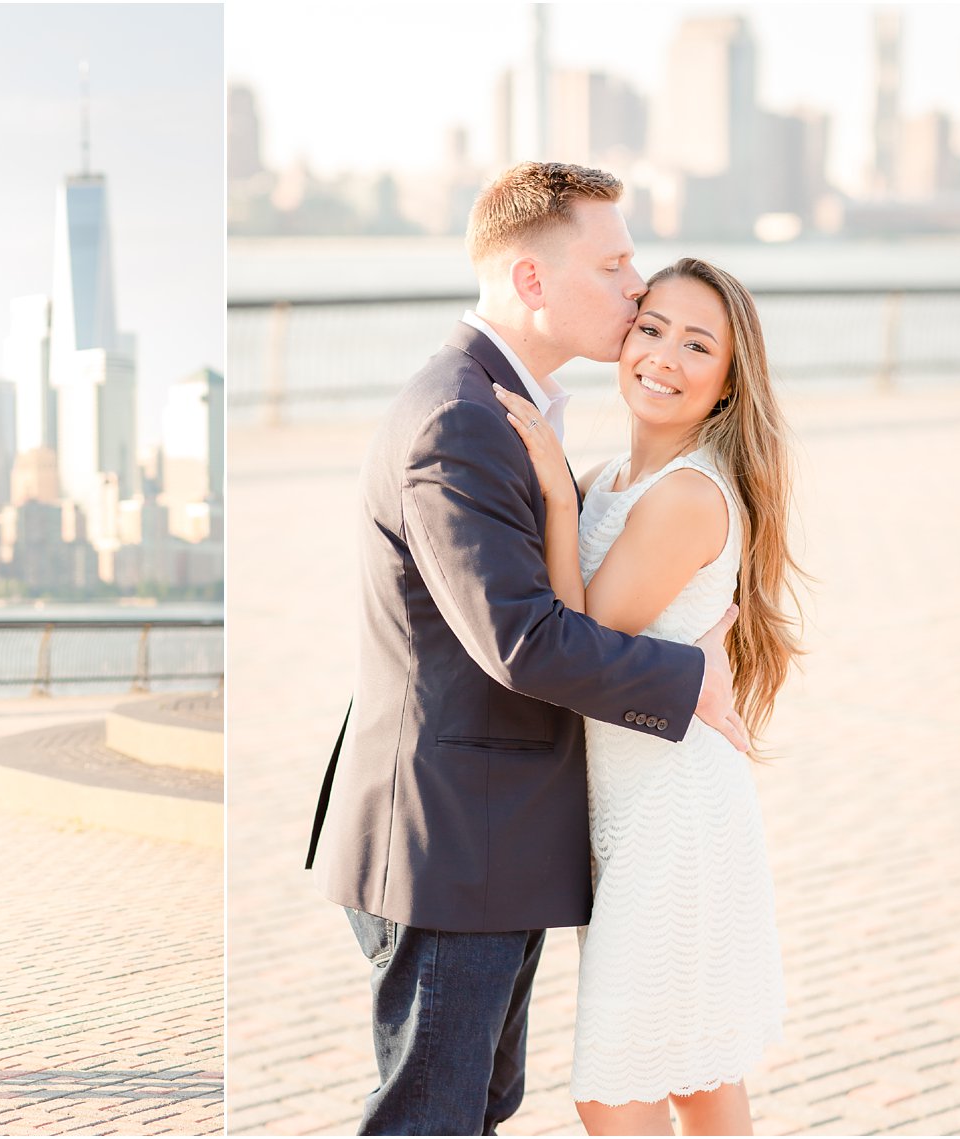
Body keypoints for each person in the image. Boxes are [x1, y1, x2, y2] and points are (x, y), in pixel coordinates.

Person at [305, 162, 750, 1136]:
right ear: (532, 281)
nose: (634, 290)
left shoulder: (518, 409)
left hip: (491, 840)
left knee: (471, 1107)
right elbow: (523, 642)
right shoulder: (458, 419)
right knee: (432, 1117)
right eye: (613, 265)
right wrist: (690, 681)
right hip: (449, 847)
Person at [494, 257, 797, 1135]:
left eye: (698, 344)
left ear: (730, 380)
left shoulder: (686, 497)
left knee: (616, 1086)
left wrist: (553, 492)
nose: (664, 355)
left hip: (673, 815)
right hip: (628, 817)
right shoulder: (609, 481)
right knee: (694, 1075)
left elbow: (576, 639)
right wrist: (570, 487)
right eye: (653, 326)